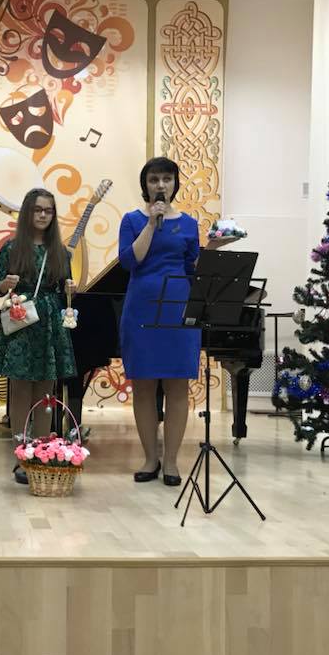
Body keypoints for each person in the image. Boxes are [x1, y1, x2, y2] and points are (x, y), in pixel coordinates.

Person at [118, 157, 200, 486]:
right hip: (141, 308)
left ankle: (171, 462)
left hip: (178, 308)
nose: (161, 185)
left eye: (167, 179)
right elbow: (130, 261)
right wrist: (152, 223)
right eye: (154, 179)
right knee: (143, 386)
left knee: (177, 385)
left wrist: (213, 251)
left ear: (175, 184)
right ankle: (150, 458)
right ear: (146, 186)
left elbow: (192, 269)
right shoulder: (132, 220)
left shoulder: (190, 224)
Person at [0, 188, 76, 484]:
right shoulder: (11, 248)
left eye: (48, 210)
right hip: (22, 320)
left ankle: (41, 452)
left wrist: (70, 290)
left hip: (49, 323)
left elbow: (63, 289)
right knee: (20, 391)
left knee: (46, 393)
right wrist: (5, 284)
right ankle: (21, 456)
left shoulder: (60, 251)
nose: (42, 215)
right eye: (37, 209)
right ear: (27, 212)